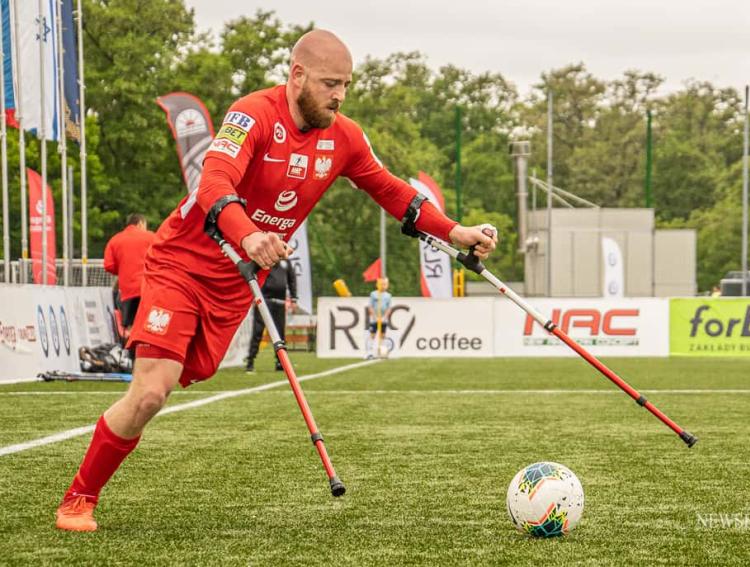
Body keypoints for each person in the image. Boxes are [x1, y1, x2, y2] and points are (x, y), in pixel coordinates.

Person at [55, 29, 498, 532]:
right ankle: (78, 499)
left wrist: (455, 229)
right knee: (152, 392)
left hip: (233, 287)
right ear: (297, 75)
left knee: (182, 378)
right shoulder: (252, 114)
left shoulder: (346, 137)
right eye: (331, 83)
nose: (340, 95)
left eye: (346, 85)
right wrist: (247, 236)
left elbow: (391, 190)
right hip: (181, 265)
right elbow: (213, 182)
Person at [103, 214, 156, 330]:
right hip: (149, 289)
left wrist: (124, 269)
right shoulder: (151, 237)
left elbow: (108, 266)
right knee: (150, 325)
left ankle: (131, 347)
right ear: (141, 223)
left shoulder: (114, 240)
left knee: (131, 327)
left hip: (128, 292)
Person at [245, 259, 298, 372]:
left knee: (279, 334)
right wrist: (253, 295)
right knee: (258, 331)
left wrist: (293, 299)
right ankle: (250, 361)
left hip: (280, 302)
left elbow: (292, 280)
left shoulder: (286, 262)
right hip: (264, 301)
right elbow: (253, 277)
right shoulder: (264, 259)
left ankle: (280, 362)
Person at [366, 277, 391, 359]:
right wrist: (375, 317)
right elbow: (370, 307)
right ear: (377, 285)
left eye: (385, 284)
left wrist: (384, 317)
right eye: (381, 284)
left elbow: (388, 308)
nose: (383, 286)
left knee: (383, 336)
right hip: (374, 319)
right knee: (372, 335)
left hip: (383, 319)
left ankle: (382, 353)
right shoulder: (373, 294)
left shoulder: (388, 295)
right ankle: (369, 353)